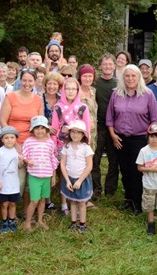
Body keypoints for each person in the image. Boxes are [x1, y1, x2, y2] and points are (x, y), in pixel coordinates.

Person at [107, 64, 157, 215]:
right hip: (120, 138)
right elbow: (110, 117)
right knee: (124, 170)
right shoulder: (117, 94)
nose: (130, 79)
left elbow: (155, 120)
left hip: (140, 139)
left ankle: (138, 203)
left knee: (137, 172)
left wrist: (152, 141)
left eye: (133, 76)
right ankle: (128, 200)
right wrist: (112, 135)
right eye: (127, 76)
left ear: (139, 77)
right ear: (123, 78)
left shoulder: (148, 94)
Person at [0, 68, 44, 212]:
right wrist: (15, 143)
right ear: (20, 80)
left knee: (30, 179)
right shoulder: (10, 97)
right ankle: (10, 209)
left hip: (32, 143)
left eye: (30, 80)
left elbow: (40, 123)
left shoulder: (38, 99)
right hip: (13, 142)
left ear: (35, 81)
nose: (27, 83)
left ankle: (26, 210)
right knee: (18, 178)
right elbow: (3, 121)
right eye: (24, 80)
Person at [51, 77, 91, 214]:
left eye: (73, 88)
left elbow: (87, 126)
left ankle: (80, 200)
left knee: (80, 170)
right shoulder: (58, 107)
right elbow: (54, 128)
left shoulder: (82, 107)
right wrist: (54, 146)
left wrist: (87, 143)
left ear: (77, 90)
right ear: (63, 90)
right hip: (63, 144)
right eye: (67, 88)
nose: (70, 91)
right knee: (65, 172)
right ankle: (64, 203)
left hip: (79, 144)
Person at [22, 116, 59, 230]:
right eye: (37, 128)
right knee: (34, 200)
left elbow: (52, 159)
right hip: (34, 176)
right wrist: (28, 161)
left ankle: (40, 220)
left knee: (43, 199)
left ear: (47, 130)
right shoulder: (28, 142)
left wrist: (53, 175)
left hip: (47, 176)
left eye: (42, 128)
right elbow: (24, 157)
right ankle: (27, 222)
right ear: (32, 130)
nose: (40, 130)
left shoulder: (50, 143)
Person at [92, 54, 118, 199]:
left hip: (114, 128)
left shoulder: (119, 84)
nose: (107, 66)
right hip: (98, 126)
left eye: (110, 64)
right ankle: (96, 189)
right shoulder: (95, 84)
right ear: (100, 66)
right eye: (105, 64)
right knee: (95, 159)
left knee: (113, 160)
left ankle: (110, 190)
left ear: (114, 66)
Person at [60, 120, 94, 232]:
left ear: (83, 134)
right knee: (72, 201)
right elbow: (63, 164)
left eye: (78, 132)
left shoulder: (86, 148)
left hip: (82, 179)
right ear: (69, 133)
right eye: (73, 132)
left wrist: (79, 180)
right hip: (69, 179)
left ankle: (82, 224)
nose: (75, 135)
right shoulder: (67, 147)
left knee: (82, 203)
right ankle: (73, 222)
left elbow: (89, 166)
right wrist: (67, 180)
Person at [0, 126, 23, 233]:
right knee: (4, 204)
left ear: (15, 139)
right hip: (2, 184)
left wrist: (22, 160)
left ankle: (11, 220)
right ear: (2, 139)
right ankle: (4, 221)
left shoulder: (17, 151)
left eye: (12, 137)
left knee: (13, 203)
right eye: (6, 137)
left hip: (14, 184)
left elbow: (19, 166)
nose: (9, 140)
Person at [77, 64, 97, 152]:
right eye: (85, 76)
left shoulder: (93, 91)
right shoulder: (76, 92)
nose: (87, 79)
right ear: (80, 77)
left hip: (93, 130)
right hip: (80, 131)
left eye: (90, 76)